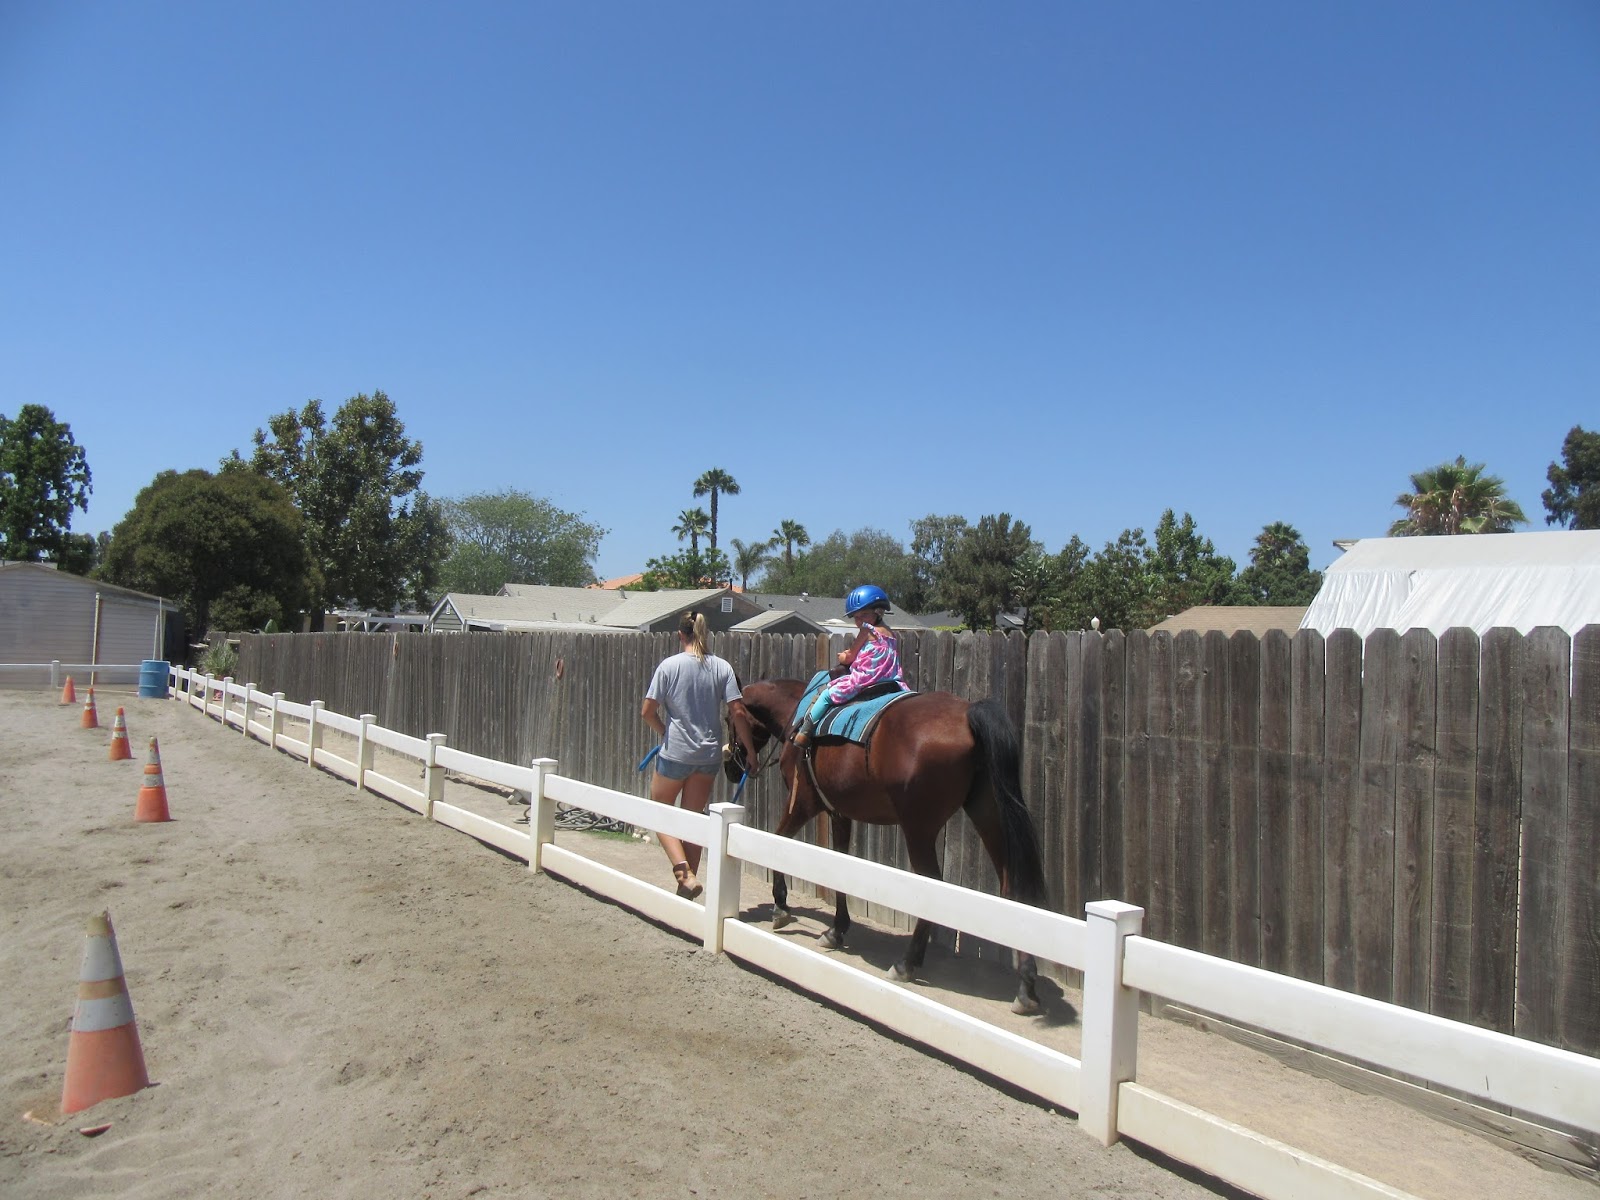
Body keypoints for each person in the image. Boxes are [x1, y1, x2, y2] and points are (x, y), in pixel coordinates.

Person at [640, 610, 749, 899]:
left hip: (676, 753)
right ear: (705, 633)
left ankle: (683, 874)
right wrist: (750, 751)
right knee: (693, 819)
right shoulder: (722, 667)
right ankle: (688, 886)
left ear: (680, 635)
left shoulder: (669, 666)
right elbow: (738, 712)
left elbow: (647, 712)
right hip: (708, 756)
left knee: (659, 810)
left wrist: (665, 732)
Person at [792, 584, 906, 749]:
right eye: (856, 617)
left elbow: (850, 656)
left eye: (864, 615)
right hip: (889, 678)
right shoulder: (890, 633)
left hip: (867, 678)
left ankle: (804, 732)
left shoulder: (867, 630)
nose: (859, 621)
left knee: (826, 695)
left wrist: (843, 656)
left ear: (878, 612)